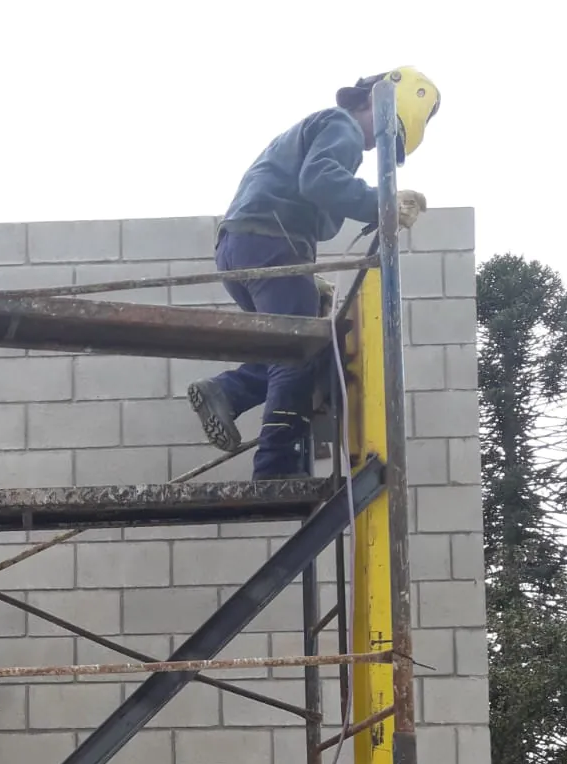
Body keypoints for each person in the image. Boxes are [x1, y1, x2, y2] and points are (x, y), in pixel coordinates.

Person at [188, 67, 440, 479]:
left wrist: (304, 278)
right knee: (297, 352)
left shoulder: (316, 133)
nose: (376, 145)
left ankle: (228, 392)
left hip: (242, 247)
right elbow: (321, 182)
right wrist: (383, 201)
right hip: (269, 243)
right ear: (370, 102)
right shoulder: (341, 126)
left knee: (291, 347)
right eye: (386, 130)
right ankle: (275, 468)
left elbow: (318, 206)